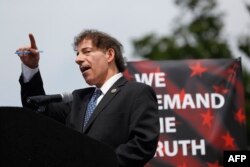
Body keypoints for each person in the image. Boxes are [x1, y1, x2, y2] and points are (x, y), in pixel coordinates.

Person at [17, 29, 159, 167]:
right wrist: (30, 68)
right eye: (78, 54)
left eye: (86, 52)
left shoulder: (136, 93)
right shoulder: (79, 99)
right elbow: (35, 109)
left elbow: (143, 144)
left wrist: (99, 161)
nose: (78, 59)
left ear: (109, 55)